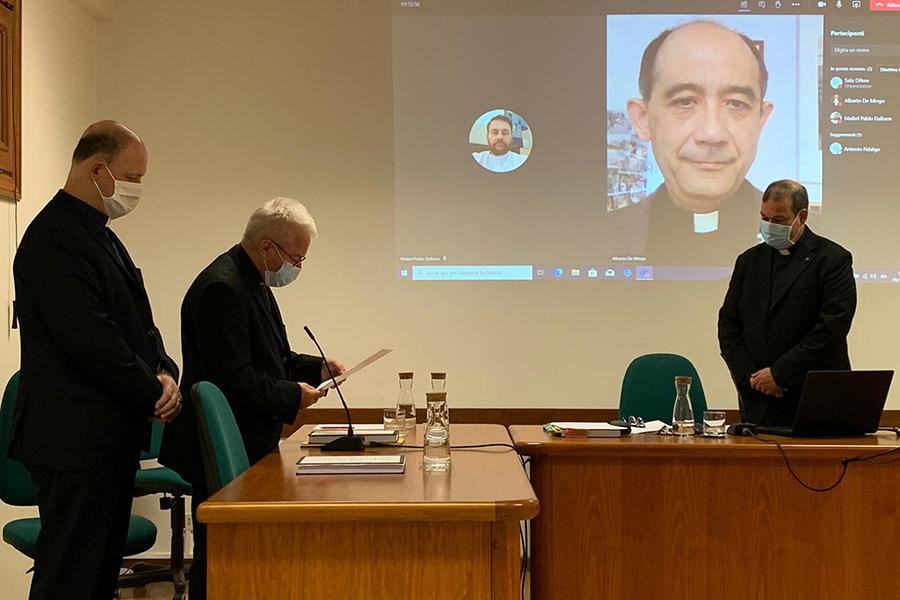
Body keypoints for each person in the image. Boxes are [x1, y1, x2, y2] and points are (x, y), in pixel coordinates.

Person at [9, 121, 181, 599]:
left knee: (98, 574)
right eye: (134, 177)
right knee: (71, 577)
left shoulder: (99, 233)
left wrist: (166, 371)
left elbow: (138, 324)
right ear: (99, 170)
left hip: (105, 438)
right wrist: (154, 392)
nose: (136, 189)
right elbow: (92, 341)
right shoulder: (53, 239)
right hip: (73, 442)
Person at [158, 197, 345, 600]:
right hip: (222, 445)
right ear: (266, 247)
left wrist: (315, 367)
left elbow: (272, 357)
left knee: (236, 552)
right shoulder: (221, 288)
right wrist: (291, 395)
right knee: (222, 553)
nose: (297, 267)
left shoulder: (253, 280)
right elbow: (234, 379)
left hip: (249, 440)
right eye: (296, 257)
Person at [616, 20, 775, 264]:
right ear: (643, 119)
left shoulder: (818, 237)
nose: (712, 134)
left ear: (760, 121)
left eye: (736, 103)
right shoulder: (593, 236)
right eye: (685, 102)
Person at [718, 179, 856, 426]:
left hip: (814, 395)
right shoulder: (749, 261)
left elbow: (831, 328)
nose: (769, 226)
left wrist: (779, 374)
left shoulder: (832, 259)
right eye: (764, 218)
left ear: (801, 216)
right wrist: (752, 378)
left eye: (779, 220)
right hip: (758, 398)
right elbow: (728, 324)